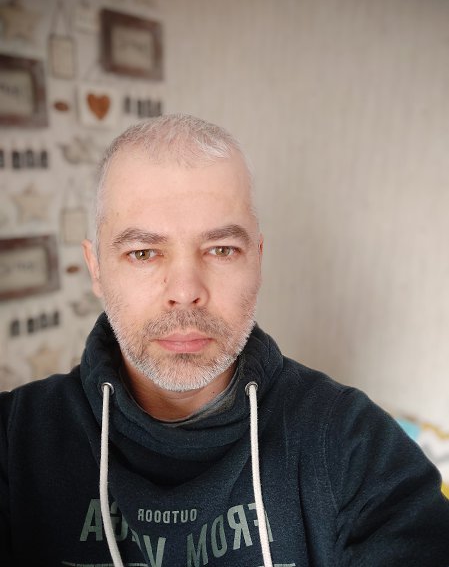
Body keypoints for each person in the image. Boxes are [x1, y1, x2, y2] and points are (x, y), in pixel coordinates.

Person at [1, 114, 448, 567]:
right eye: (143, 252)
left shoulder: (354, 444)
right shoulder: (12, 442)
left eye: (221, 250)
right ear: (96, 268)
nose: (185, 291)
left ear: (257, 259)